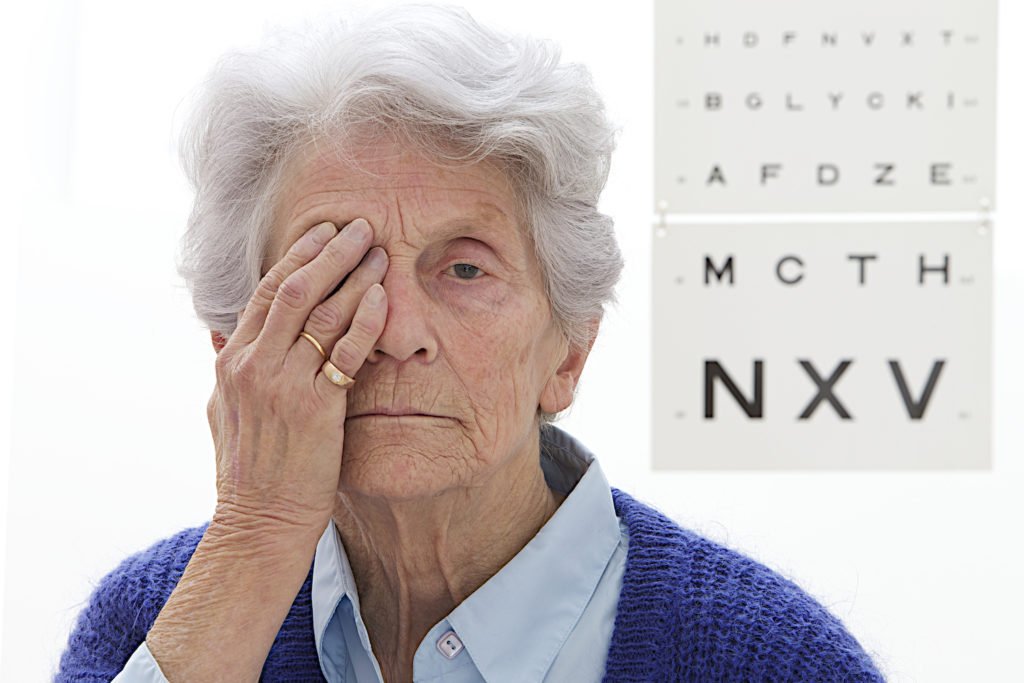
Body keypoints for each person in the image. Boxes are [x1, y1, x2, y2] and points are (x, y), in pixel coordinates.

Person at [54, 5, 885, 682]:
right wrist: (257, 534)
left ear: (568, 352)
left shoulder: (765, 658)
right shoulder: (152, 624)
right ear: (236, 347)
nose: (399, 334)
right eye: (338, 272)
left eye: (463, 268)